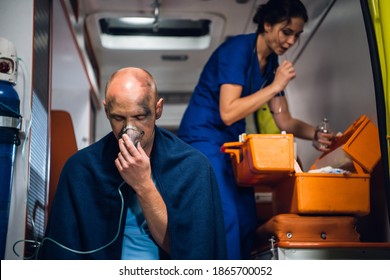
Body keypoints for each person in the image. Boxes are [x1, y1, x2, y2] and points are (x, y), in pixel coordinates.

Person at [177, 0, 335, 260]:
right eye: (287, 32)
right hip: (203, 138)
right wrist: (275, 86)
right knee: (227, 217)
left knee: (248, 219)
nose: (291, 41)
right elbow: (228, 113)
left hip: (230, 144)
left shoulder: (272, 63)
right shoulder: (237, 50)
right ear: (267, 25)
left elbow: (285, 121)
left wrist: (315, 134)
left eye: (297, 35)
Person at [37, 67, 227, 260]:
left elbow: (189, 251)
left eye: (139, 117)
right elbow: (62, 253)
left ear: (158, 109)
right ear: (106, 111)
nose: (129, 130)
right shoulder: (81, 168)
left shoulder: (192, 167)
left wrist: (143, 184)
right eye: (118, 118)